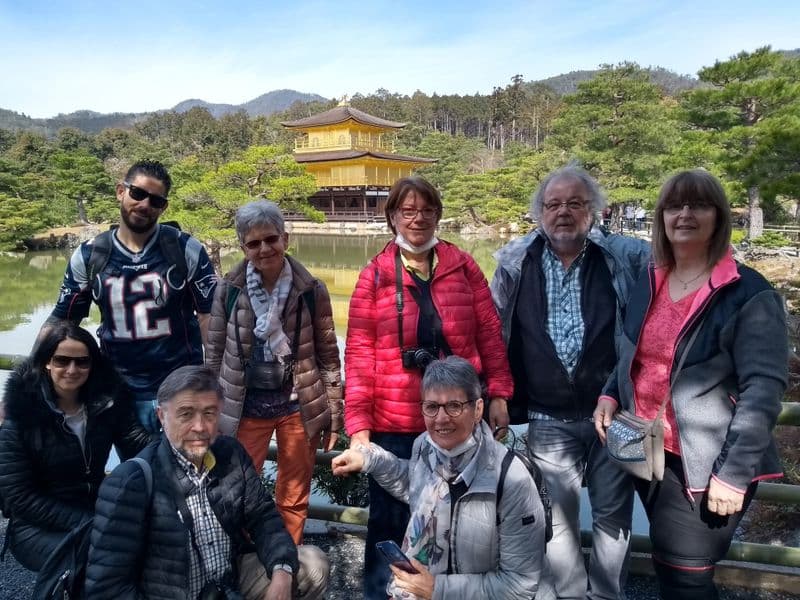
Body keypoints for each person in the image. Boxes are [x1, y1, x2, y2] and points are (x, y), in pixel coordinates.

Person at [595, 170, 787, 599]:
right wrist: (610, 392)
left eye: (698, 205)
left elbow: (764, 391)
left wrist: (733, 476)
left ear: (718, 216)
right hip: (646, 450)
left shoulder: (746, 292)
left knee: (687, 575)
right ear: (661, 216)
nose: (684, 214)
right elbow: (631, 353)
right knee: (669, 564)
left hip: (707, 464)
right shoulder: (651, 280)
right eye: (674, 205)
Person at [345, 176, 514, 598]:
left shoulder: (463, 265)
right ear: (392, 217)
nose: (417, 218)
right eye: (408, 210)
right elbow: (360, 352)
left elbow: (490, 334)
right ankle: (381, 593)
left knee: (464, 520)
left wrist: (497, 394)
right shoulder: (375, 275)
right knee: (388, 521)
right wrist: (359, 426)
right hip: (395, 417)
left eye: (426, 210)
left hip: (458, 413)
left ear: (438, 214)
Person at [491, 165, 650, 600]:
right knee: (556, 521)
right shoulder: (514, 260)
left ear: (594, 210)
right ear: (539, 212)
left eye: (575, 203)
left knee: (613, 517)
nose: (563, 212)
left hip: (615, 414)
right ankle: (570, 595)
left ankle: (605, 596)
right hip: (546, 414)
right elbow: (492, 330)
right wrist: (497, 392)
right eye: (553, 204)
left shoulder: (625, 257)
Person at [85, 365, 329, 600]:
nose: (200, 426)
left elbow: (263, 517)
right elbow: (107, 587)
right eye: (186, 414)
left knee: (313, 565)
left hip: (228, 582)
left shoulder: (230, 453)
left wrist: (282, 571)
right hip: (171, 592)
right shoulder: (131, 482)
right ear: (162, 416)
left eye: (209, 413)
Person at [333, 356, 544, 600]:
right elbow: (415, 484)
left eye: (454, 406)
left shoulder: (510, 478)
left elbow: (519, 585)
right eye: (432, 407)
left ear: (477, 409)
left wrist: (436, 589)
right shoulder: (425, 446)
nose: (441, 419)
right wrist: (369, 460)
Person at [205, 199, 343, 545]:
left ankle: (286, 560)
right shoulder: (229, 290)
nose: (264, 249)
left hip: (298, 406)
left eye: (271, 239)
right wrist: (208, 408)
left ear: (285, 238)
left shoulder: (311, 290)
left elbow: (328, 354)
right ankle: (245, 559)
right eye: (254, 243)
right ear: (242, 247)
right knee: (236, 488)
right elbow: (214, 353)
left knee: (293, 495)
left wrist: (335, 412)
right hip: (244, 405)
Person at [44, 160, 217, 432]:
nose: (145, 204)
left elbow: (209, 316)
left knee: (185, 470)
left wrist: (214, 379)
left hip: (182, 388)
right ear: (120, 191)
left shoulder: (185, 249)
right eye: (137, 193)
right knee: (135, 471)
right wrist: (27, 383)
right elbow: (63, 319)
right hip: (119, 391)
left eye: (156, 200)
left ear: (164, 207)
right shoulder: (91, 255)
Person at [0, 322, 150, 588]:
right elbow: (20, 498)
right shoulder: (20, 419)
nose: (72, 369)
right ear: (46, 362)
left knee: (147, 545)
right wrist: (89, 523)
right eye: (62, 360)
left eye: (82, 362)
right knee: (99, 558)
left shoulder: (105, 404)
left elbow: (136, 443)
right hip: (36, 527)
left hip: (95, 508)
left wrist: (180, 447)